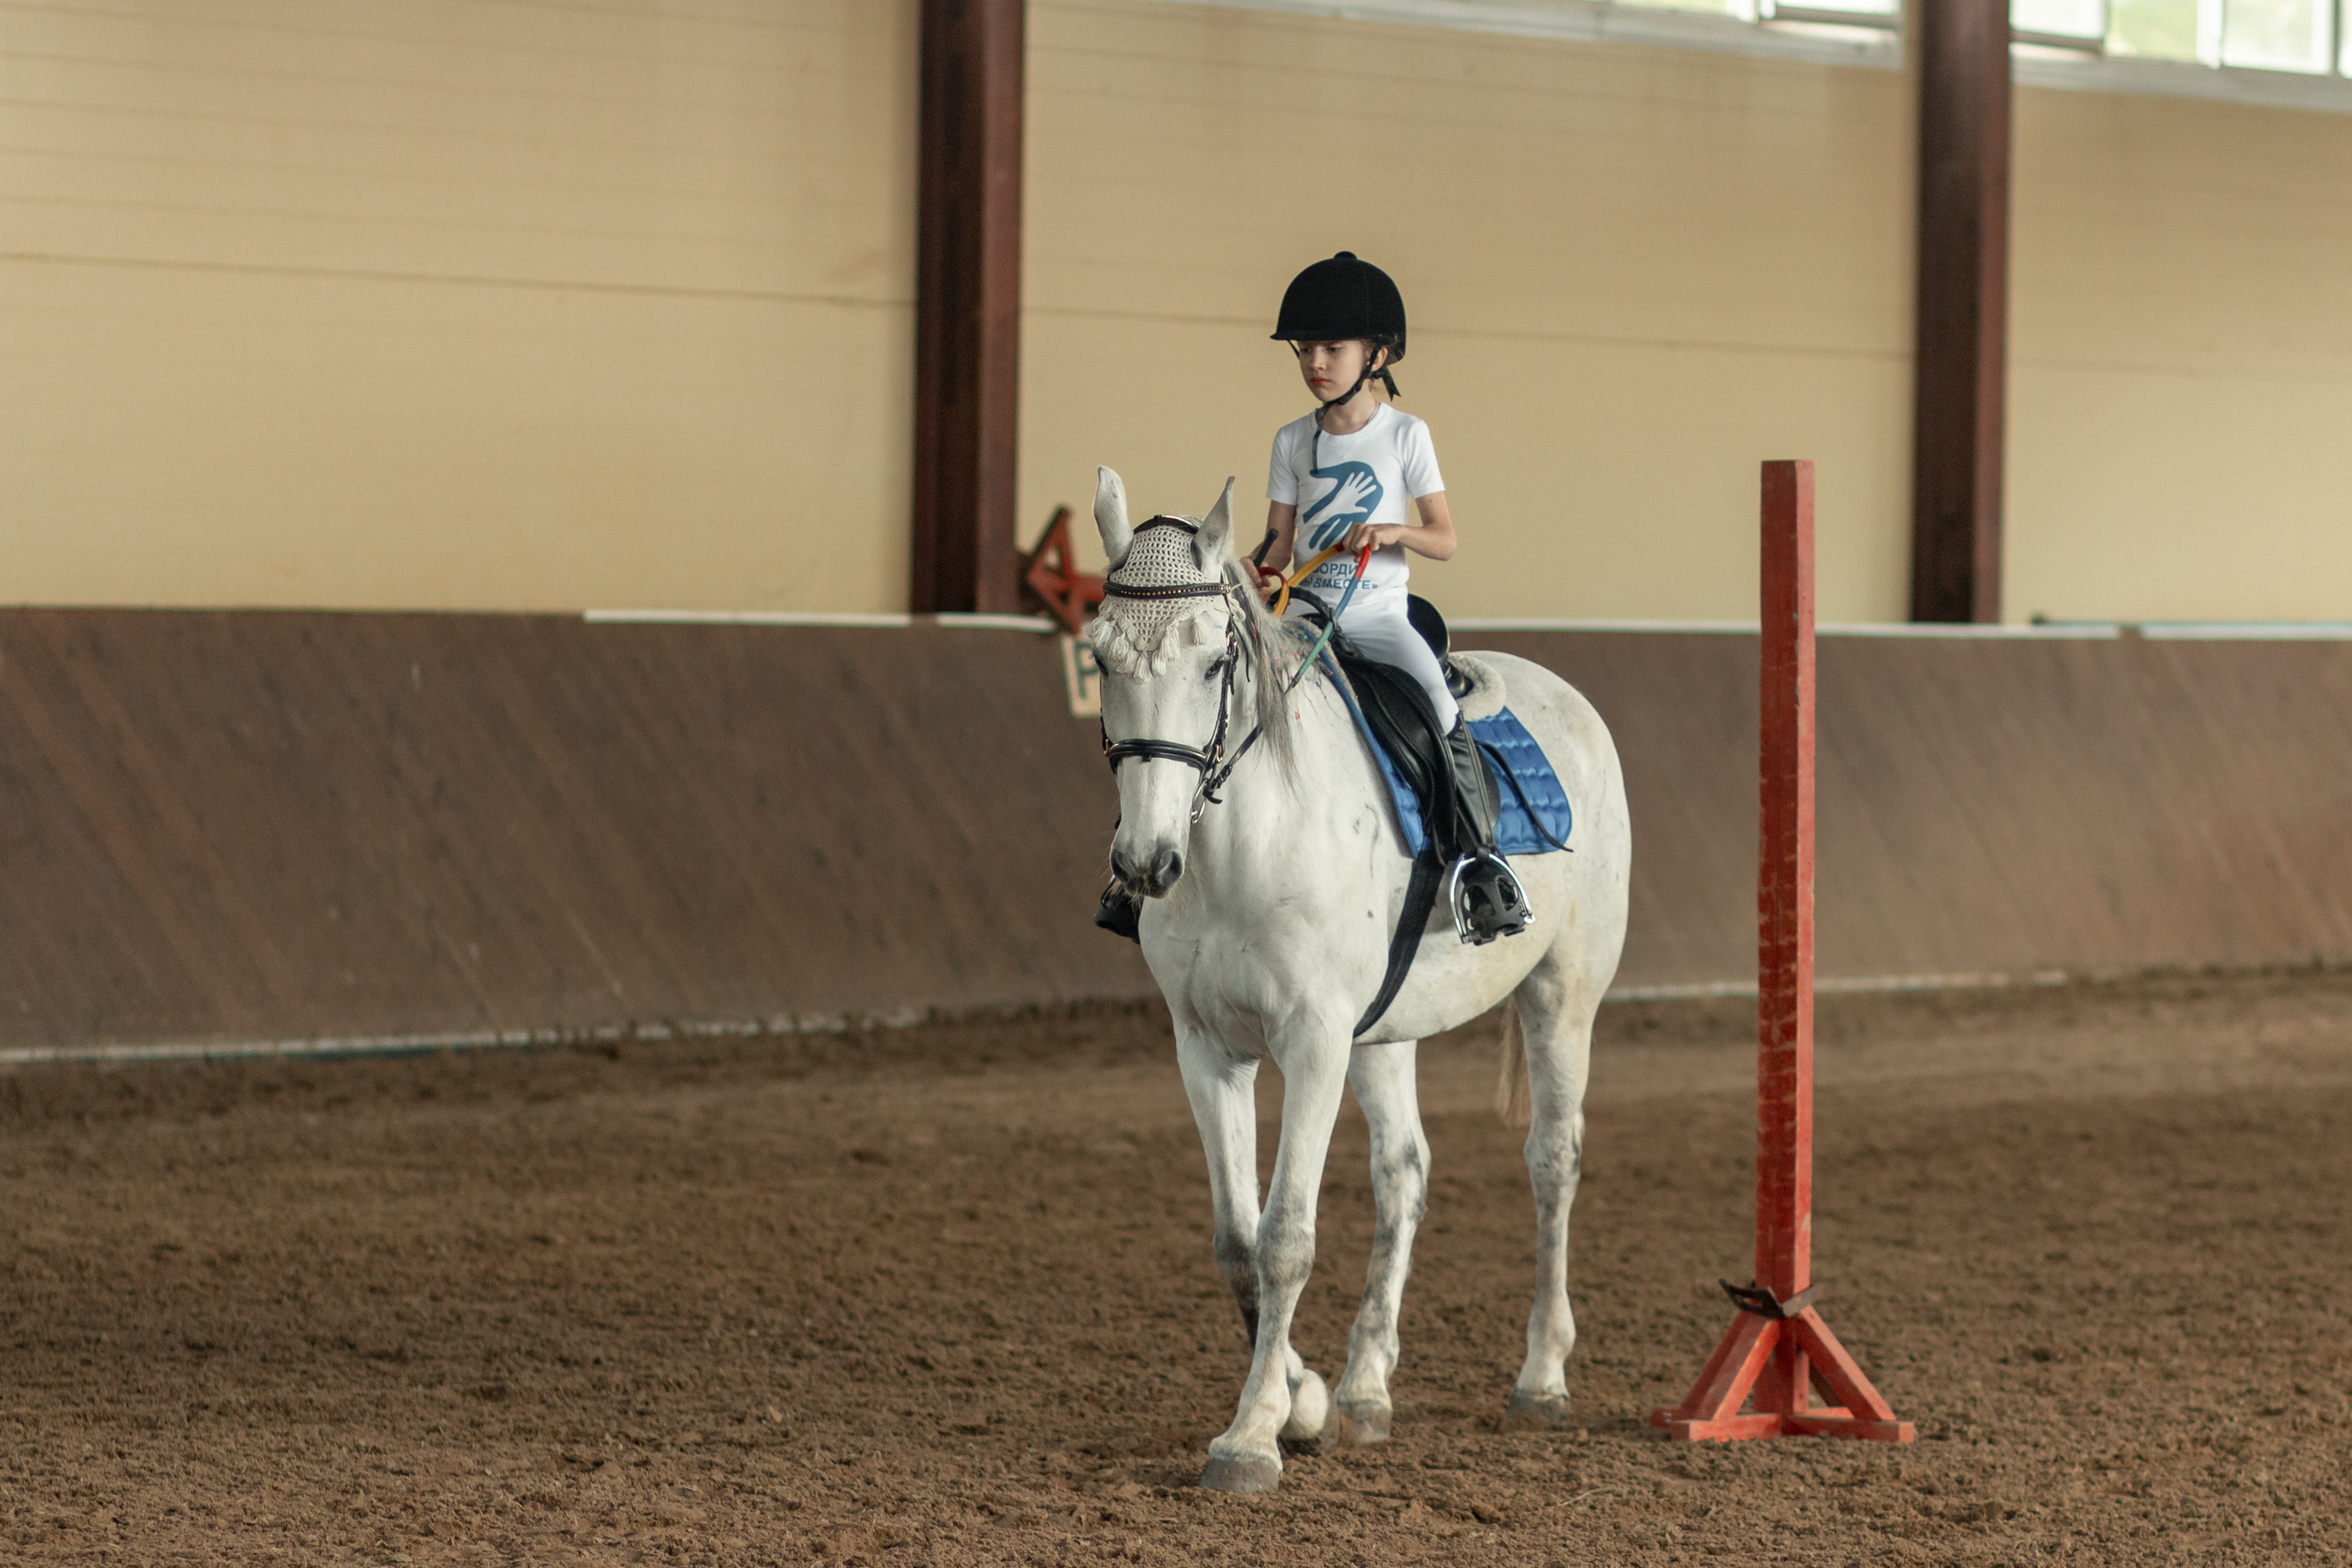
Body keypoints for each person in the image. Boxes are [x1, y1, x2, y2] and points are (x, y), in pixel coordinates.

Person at [1096, 252, 1530, 947]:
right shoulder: (1293, 440)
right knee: (1208, 699)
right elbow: (1277, 545)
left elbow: (1445, 538)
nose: (1315, 363)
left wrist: (1393, 532)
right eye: (1305, 350)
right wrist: (1255, 570)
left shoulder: (1406, 435)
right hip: (1300, 618)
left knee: (1438, 703)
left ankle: (1482, 864)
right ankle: (1134, 864)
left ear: (1376, 354)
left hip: (1378, 614)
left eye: (1332, 349)